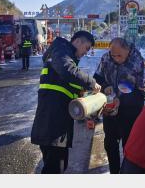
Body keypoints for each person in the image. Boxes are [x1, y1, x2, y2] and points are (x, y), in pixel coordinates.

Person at [31, 31, 101, 174]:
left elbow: (67, 86)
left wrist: (86, 98)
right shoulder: (60, 49)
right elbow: (67, 70)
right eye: (86, 48)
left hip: (58, 124)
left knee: (59, 165)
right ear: (78, 42)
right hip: (51, 123)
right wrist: (91, 83)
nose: (85, 53)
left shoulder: (66, 56)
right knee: (54, 168)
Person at [94, 37, 145, 174]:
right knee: (110, 144)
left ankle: (128, 172)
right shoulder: (106, 58)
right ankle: (114, 172)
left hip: (131, 111)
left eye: (119, 55)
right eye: (113, 55)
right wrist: (105, 86)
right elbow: (97, 77)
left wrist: (123, 99)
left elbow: (144, 91)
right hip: (110, 109)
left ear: (127, 50)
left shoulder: (140, 62)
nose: (115, 58)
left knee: (130, 146)